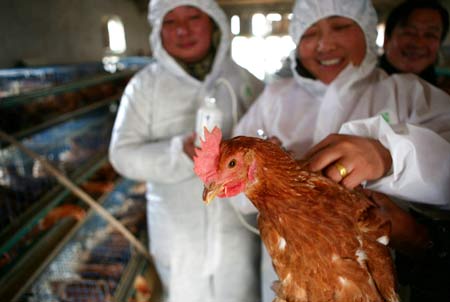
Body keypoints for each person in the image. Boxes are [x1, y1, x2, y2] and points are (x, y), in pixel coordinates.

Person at [232, 0, 450, 301]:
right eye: (309, 34)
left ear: (366, 30)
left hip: (377, 271)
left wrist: (389, 155)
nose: (324, 44)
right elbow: (232, 190)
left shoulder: (405, 92)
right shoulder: (276, 97)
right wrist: (266, 176)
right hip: (287, 274)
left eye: (341, 27)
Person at [108, 0, 264, 301]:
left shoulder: (244, 81)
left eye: (194, 17)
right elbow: (121, 154)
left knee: (241, 293)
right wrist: (178, 151)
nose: (183, 30)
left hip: (237, 229)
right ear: (159, 30)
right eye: (170, 21)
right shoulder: (144, 87)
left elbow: (268, 140)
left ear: (214, 23)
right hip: (177, 230)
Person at [380, 1, 449, 87]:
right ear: (386, 40)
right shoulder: (362, 86)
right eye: (409, 32)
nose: (419, 43)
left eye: (430, 35)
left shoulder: (442, 95)